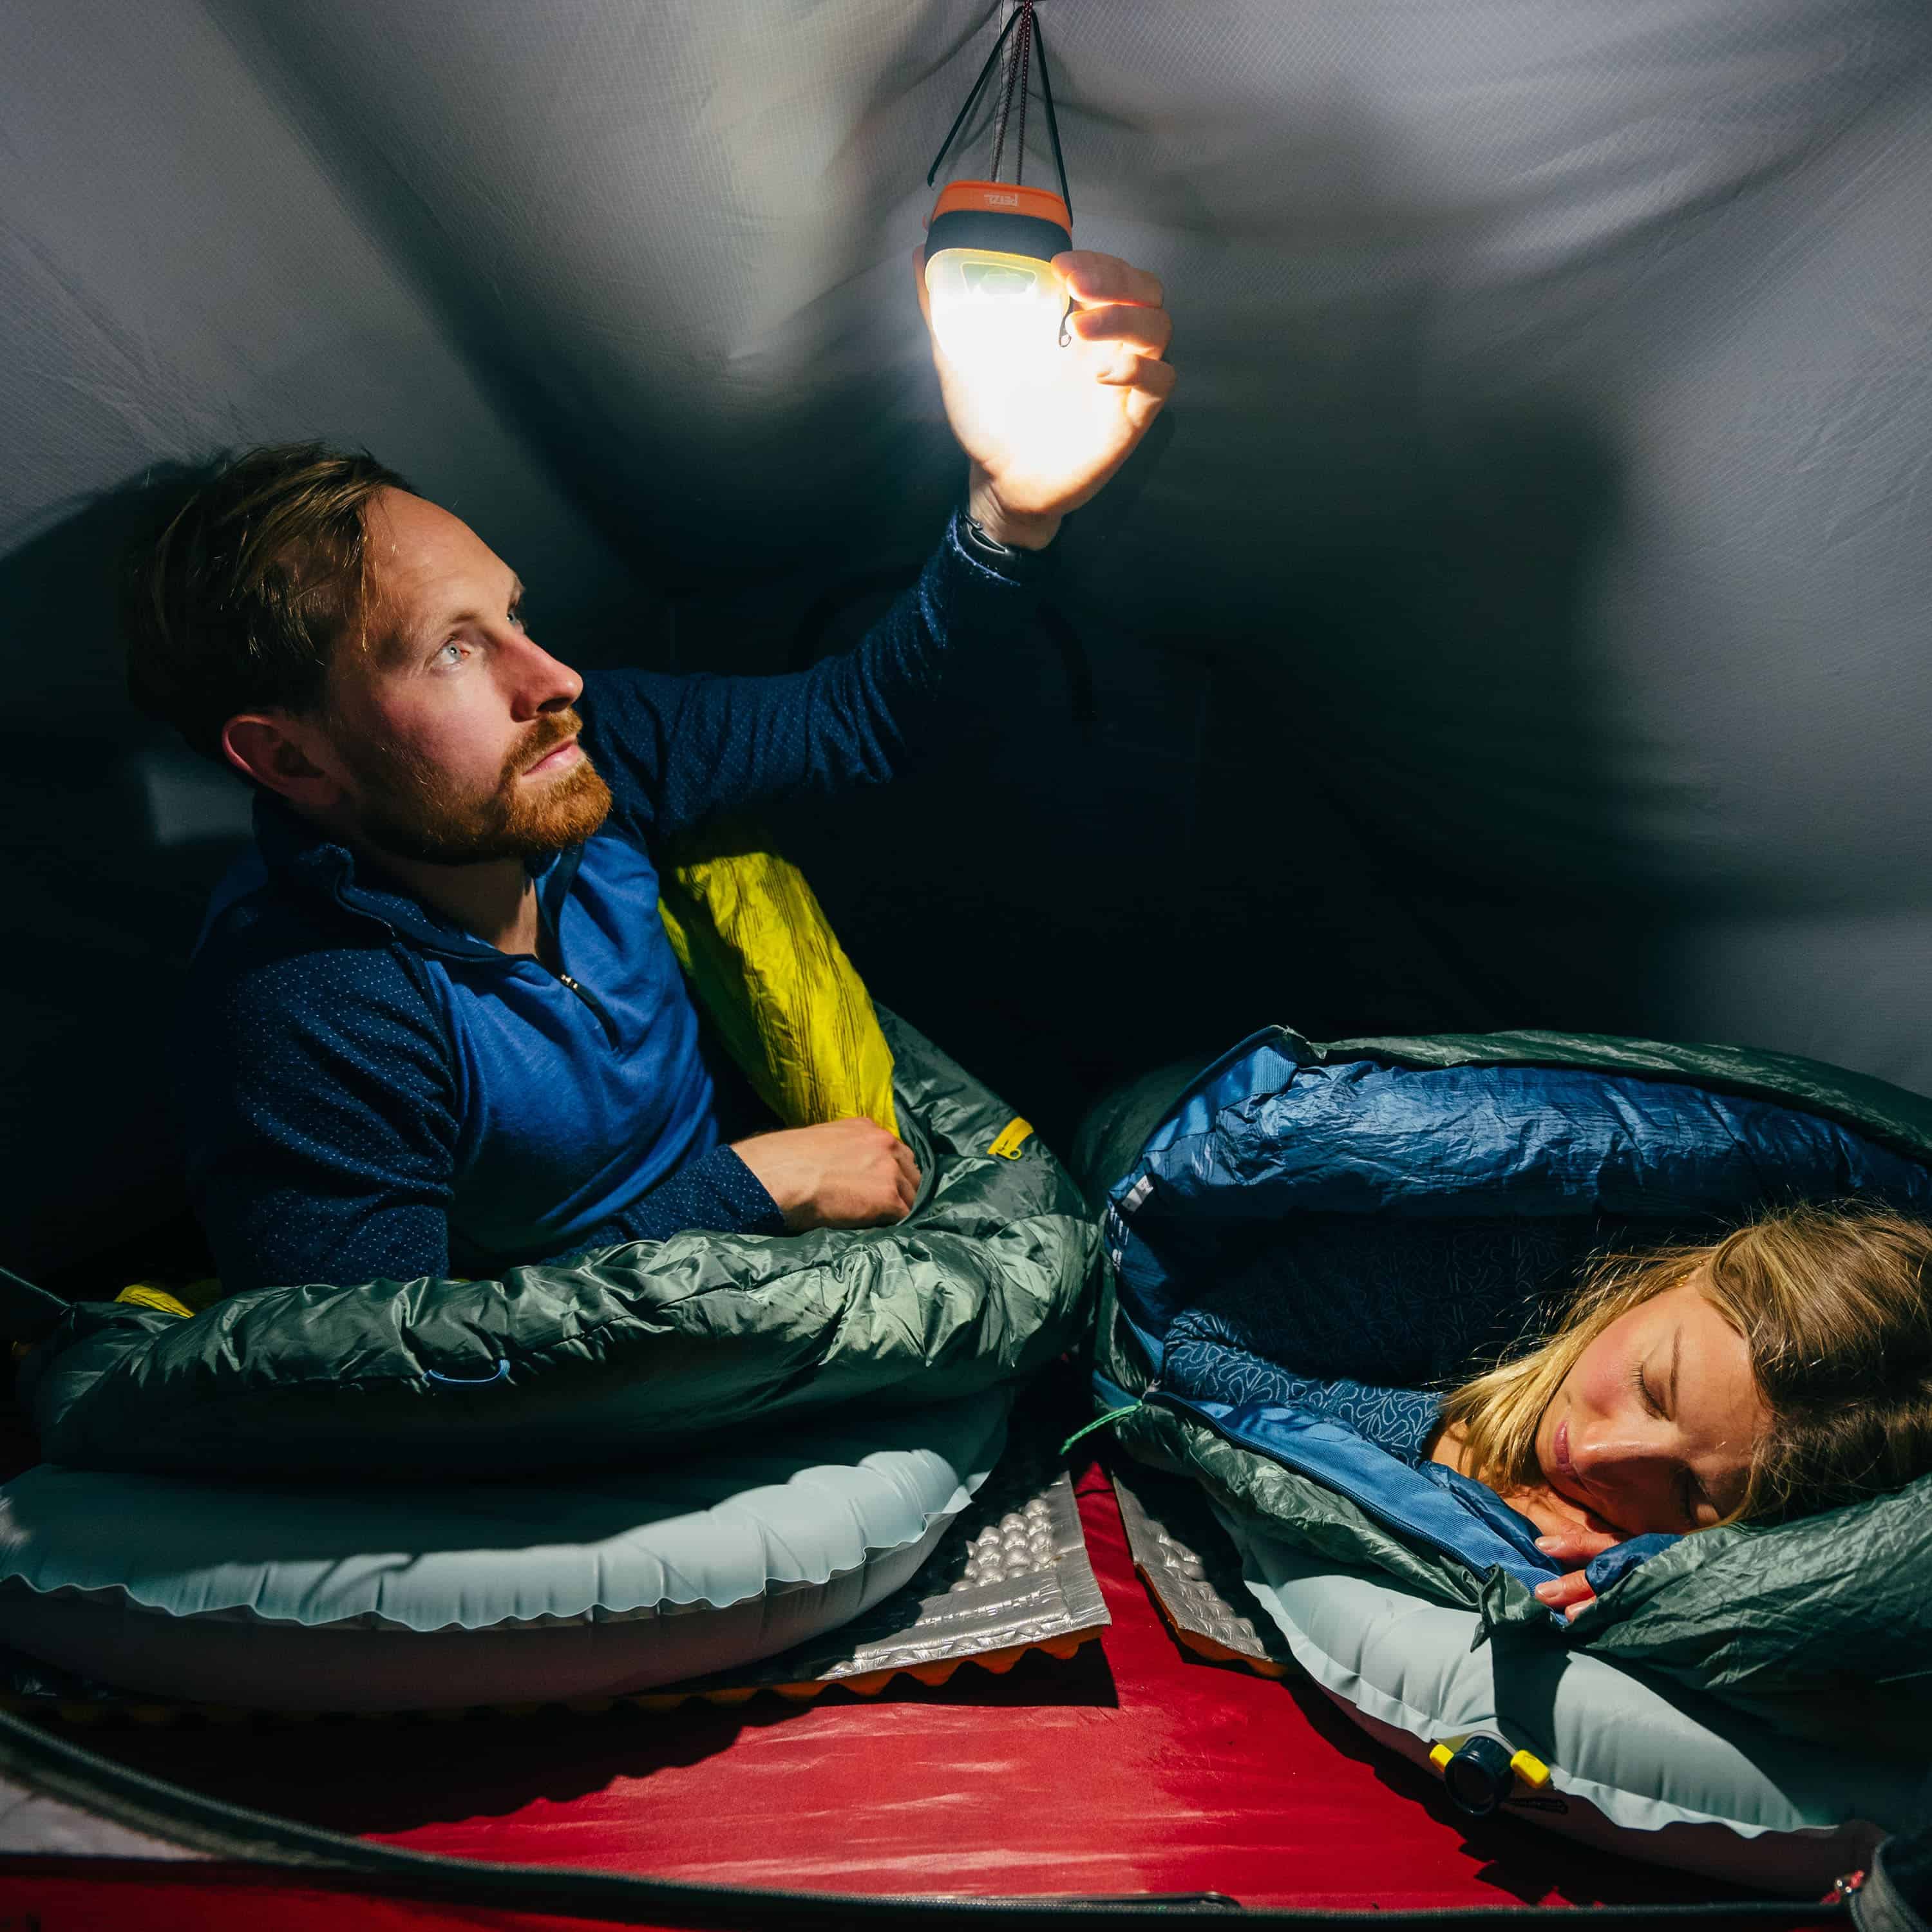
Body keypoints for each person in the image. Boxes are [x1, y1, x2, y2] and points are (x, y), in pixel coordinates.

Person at [121, 250, 1174, 1296]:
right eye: (452, 651)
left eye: (512, 616)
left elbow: (858, 723)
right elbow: (388, 1370)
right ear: (290, 757)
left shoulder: (598, 742)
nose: (555, 679)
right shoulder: (312, 1008)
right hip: (604, 1367)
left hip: (783, 1237)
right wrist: (744, 1191)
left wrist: (1009, 516)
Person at [1429, 1201, 1932, 1617]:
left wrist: (1701, 1581)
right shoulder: (1463, 1243)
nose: (1594, 1453)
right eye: (1652, 1390)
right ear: (1691, 1274)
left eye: (1689, 1495)